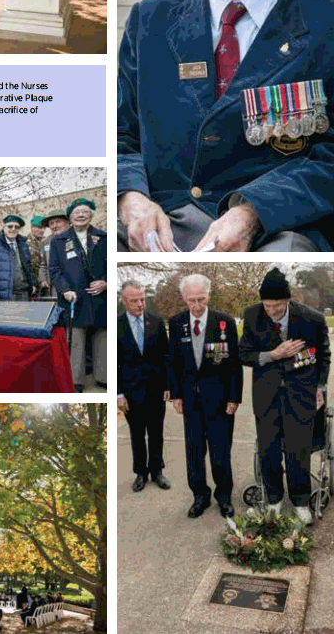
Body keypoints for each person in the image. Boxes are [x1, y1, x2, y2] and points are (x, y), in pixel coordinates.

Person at [117, 0, 334, 253]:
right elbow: (118, 132)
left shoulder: (325, 17)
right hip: (164, 218)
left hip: (279, 223)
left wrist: (255, 211)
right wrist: (130, 198)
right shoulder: (149, 19)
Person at [239, 267, 330, 523]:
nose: (272, 311)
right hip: (266, 396)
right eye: (267, 306)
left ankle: (301, 501)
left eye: (277, 306)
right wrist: (273, 355)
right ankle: (274, 500)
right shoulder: (252, 315)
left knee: (297, 451)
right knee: (268, 451)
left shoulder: (311, 318)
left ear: (288, 300)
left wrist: (320, 388)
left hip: (300, 395)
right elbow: (243, 353)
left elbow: (322, 355)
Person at [169, 274, 242, 518]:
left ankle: (224, 496)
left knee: (221, 451)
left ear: (208, 295)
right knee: (195, 451)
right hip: (191, 401)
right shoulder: (177, 323)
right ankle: (200, 496)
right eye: (192, 300)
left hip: (220, 401)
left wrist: (234, 398)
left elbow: (234, 364)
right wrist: (176, 395)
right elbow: (174, 363)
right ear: (184, 299)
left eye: (201, 299)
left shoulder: (225, 322)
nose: (197, 305)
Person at [118, 280, 170, 492]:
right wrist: (118, 394)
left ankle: (157, 470)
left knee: (156, 432)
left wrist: (168, 385)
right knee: (137, 434)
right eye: (134, 300)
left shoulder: (156, 322)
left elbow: (166, 356)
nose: (140, 304)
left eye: (142, 299)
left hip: (156, 389)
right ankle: (141, 472)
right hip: (131, 392)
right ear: (124, 301)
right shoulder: (117, 325)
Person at [49, 199, 107, 392]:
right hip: (74, 297)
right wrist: (65, 290)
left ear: (91, 215)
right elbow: (54, 270)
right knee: (76, 339)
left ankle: (102, 376)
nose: (81, 215)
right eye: (76, 213)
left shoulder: (105, 237)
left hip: (99, 297)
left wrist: (106, 282)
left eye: (85, 212)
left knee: (101, 338)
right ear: (70, 218)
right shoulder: (58, 241)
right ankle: (76, 380)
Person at [0, 215, 36, 301]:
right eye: (10, 226)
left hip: (23, 293)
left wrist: (33, 284)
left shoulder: (23, 245)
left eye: (16, 227)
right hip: (4, 295)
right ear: (4, 227)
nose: (13, 229)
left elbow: (28, 267)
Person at [38, 209, 70, 296]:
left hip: (72, 288)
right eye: (51, 223)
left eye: (58, 222)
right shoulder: (46, 242)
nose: (54, 226)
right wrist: (43, 279)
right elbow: (43, 264)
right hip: (53, 289)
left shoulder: (75, 238)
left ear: (67, 222)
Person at [27, 215, 45, 292]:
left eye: (44, 228)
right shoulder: (25, 243)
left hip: (44, 283)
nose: (42, 230)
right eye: (39, 227)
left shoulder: (45, 242)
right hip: (32, 284)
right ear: (32, 227)